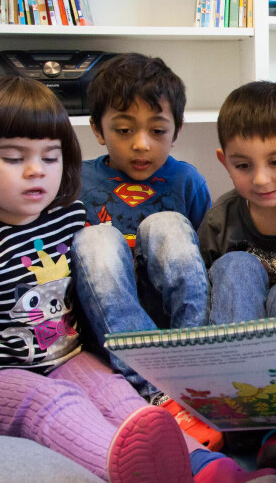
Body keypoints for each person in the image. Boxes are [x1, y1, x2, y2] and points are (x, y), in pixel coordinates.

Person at [0, 75, 276, 483]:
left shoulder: (67, 217)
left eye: (50, 157)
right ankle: (130, 467)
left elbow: (93, 296)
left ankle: (216, 472)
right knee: (53, 403)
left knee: (118, 395)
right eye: (12, 158)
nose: (35, 171)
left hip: (67, 356)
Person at [71, 53, 211, 402]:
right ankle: (155, 385)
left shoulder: (186, 180)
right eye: (124, 130)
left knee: (167, 225)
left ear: (177, 131)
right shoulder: (77, 180)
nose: (141, 144)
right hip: (109, 325)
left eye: (158, 130)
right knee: (96, 238)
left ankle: (194, 366)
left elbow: (204, 257)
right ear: (97, 130)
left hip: (172, 324)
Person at [198, 80, 276, 325]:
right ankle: (235, 359)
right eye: (243, 166)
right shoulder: (218, 221)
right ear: (226, 164)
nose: (261, 180)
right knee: (236, 265)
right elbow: (200, 289)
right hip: (237, 322)